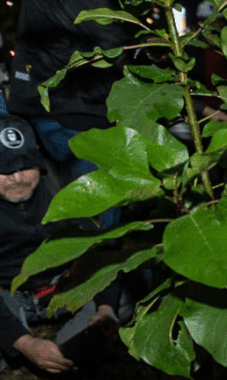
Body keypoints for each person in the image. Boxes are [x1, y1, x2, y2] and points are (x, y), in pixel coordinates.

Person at [0, 113, 125, 374]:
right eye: (4, 170)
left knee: (124, 297)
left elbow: (103, 249)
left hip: (67, 286)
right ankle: (18, 346)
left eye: (25, 166)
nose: (17, 178)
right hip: (9, 295)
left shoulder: (67, 182)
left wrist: (105, 308)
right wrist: (24, 343)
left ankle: (71, 351)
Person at [8, 0, 130, 228]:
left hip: (47, 109)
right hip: (81, 110)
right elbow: (111, 39)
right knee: (101, 208)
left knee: (69, 200)